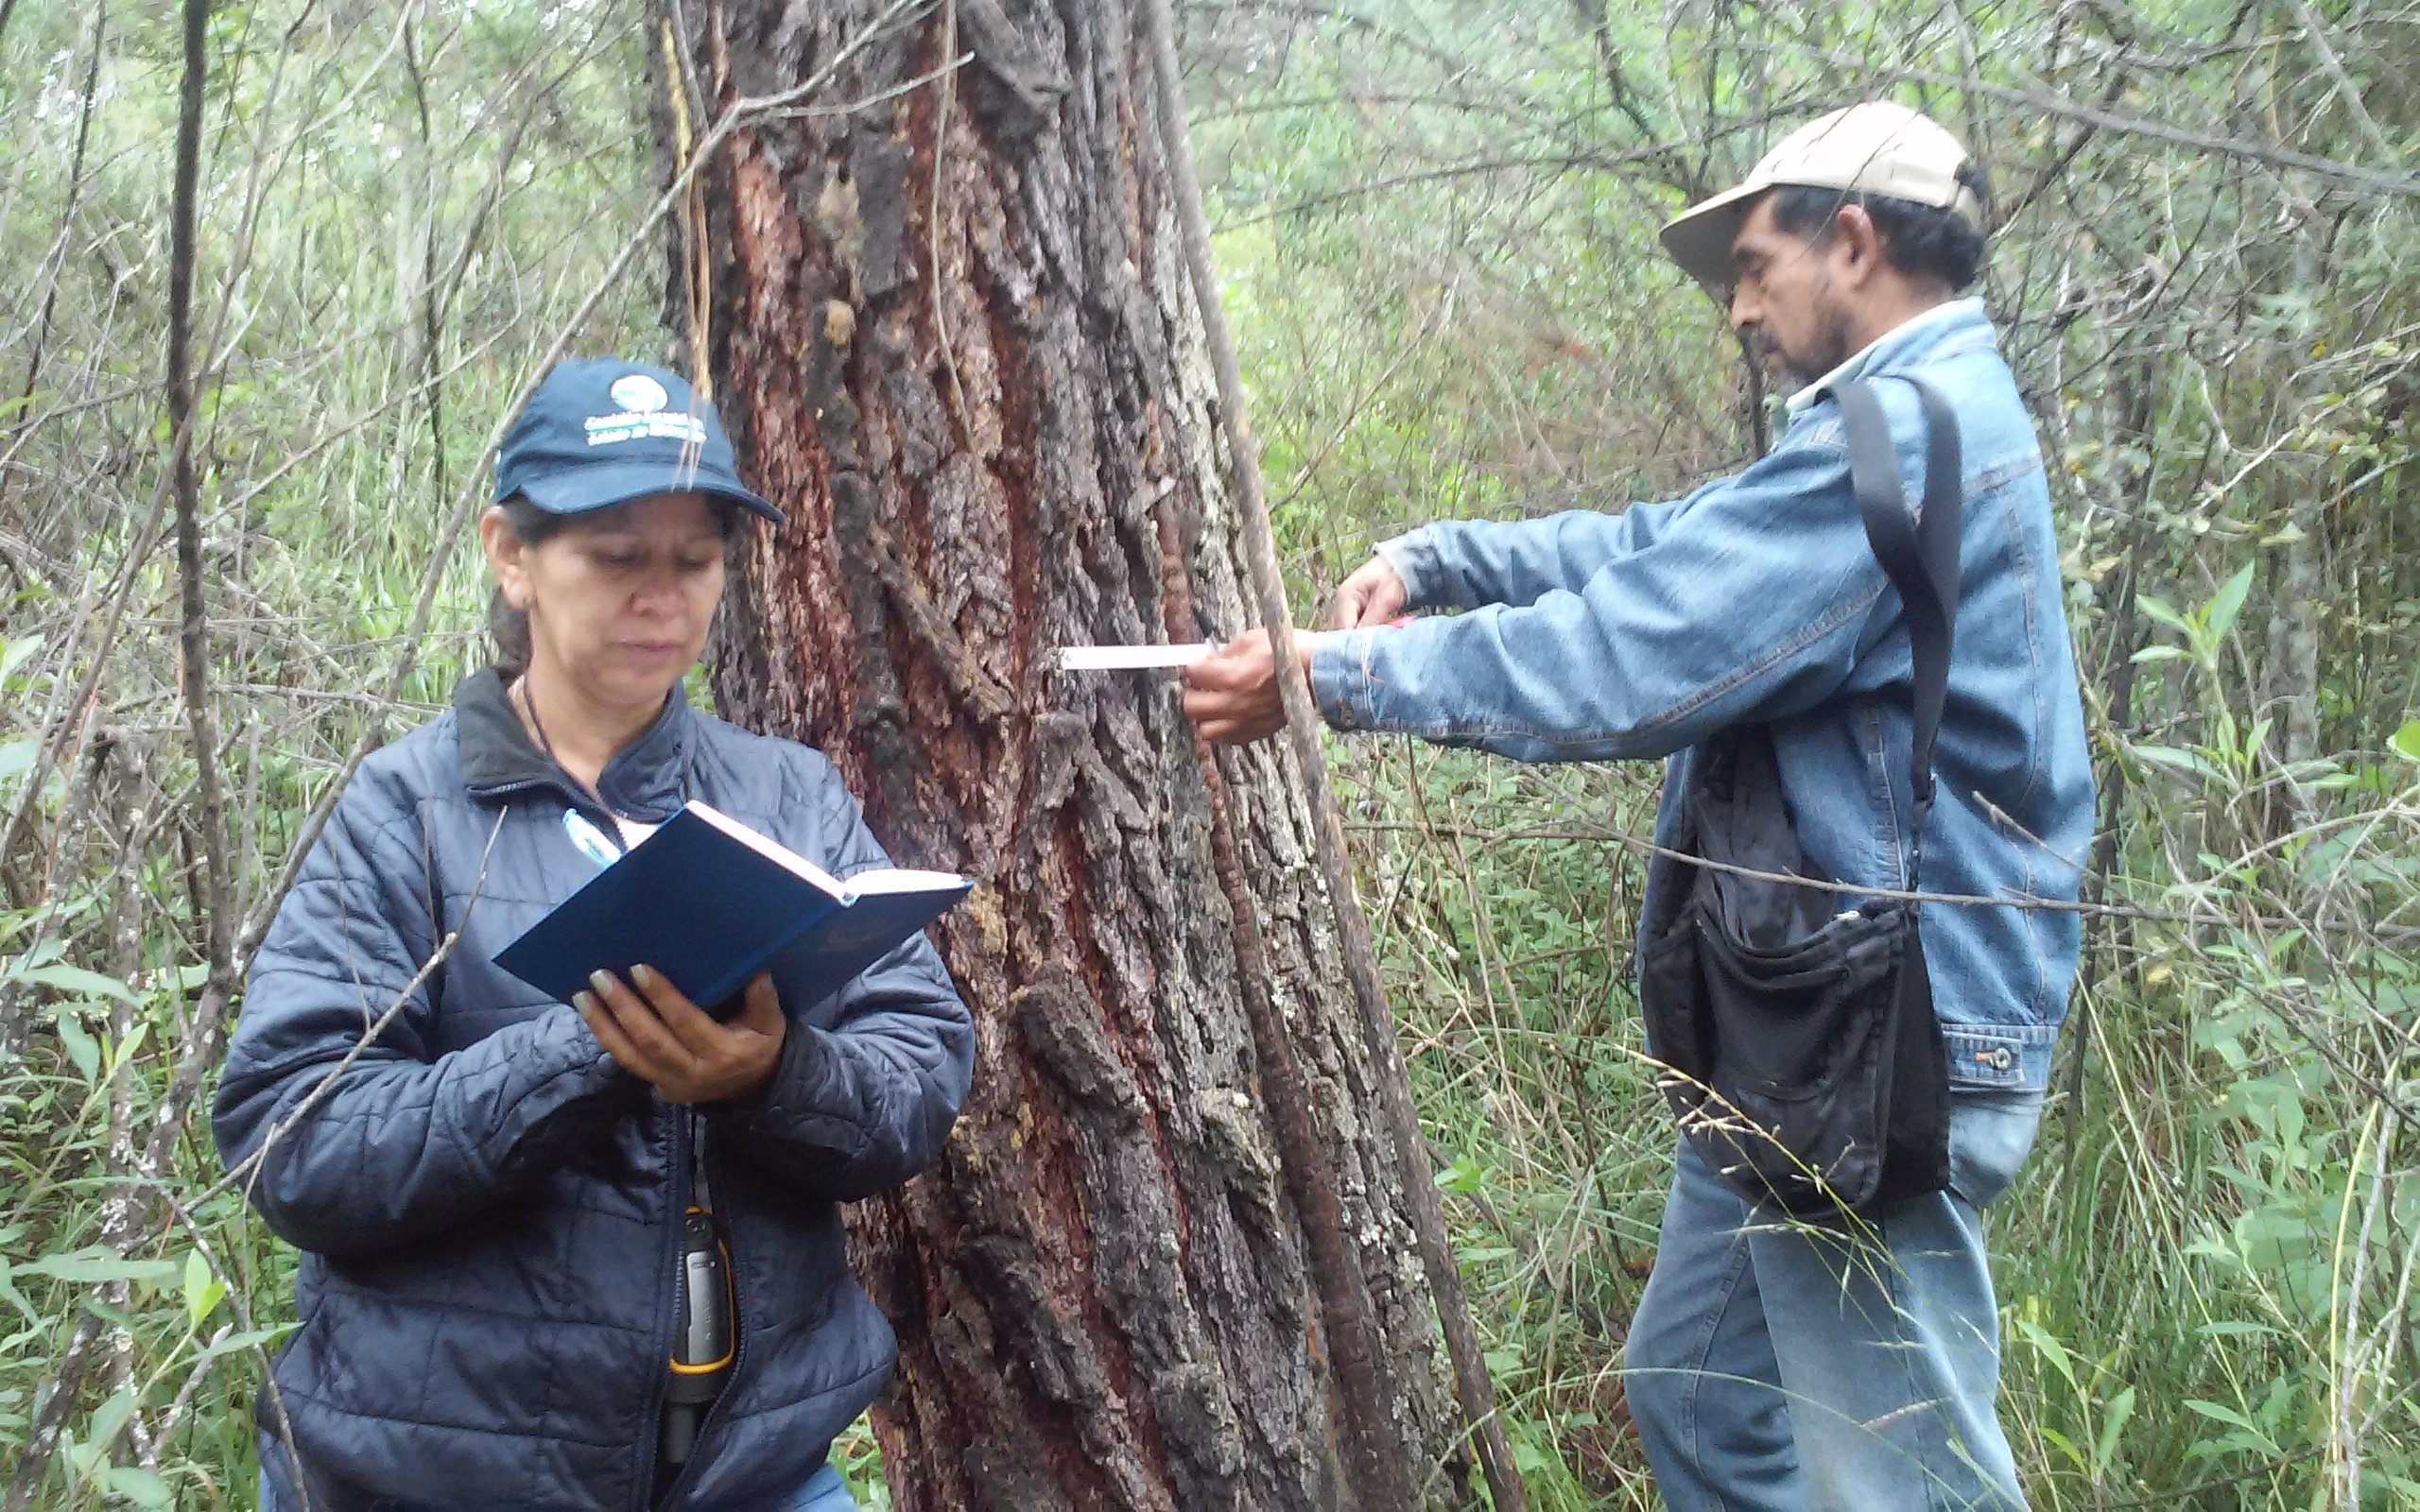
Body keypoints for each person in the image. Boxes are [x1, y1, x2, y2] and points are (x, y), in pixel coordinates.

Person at [1184, 102, 2091, 1507]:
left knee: (1905, 1479)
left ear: (1852, 240)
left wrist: (1330, 677)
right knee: (1699, 1398)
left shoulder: (1905, 441)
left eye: (1752, 262)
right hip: (1807, 1041)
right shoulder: (1900, 422)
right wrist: (1443, 560)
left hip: (1878, 1046)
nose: (1739, 304)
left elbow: (1633, 658)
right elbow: (1667, 549)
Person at [213, 358, 976, 1511]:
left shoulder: (788, 799)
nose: (660, 598)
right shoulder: (406, 814)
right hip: (428, 1476)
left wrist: (772, 1074)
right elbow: (295, 1142)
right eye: (616, 557)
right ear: (511, 556)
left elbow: (918, 1070)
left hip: (753, 1474)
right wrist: (592, 1049)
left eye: (694, 560)